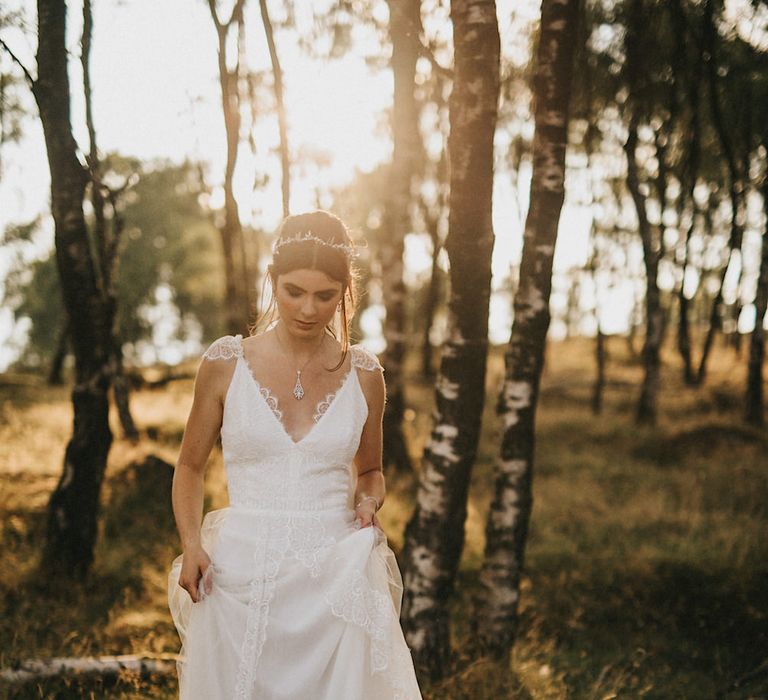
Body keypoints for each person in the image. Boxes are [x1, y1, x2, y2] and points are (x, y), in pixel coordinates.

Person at [167, 210, 422, 699]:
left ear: (346, 291)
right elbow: (189, 466)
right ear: (272, 281)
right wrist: (192, 542)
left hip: (335, 576)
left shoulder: (365, 374)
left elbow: (370, 471)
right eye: (294, 292)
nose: (308, 308)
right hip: (240, 573)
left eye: (325, 296)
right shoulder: (225, 364)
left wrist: (368, 502)